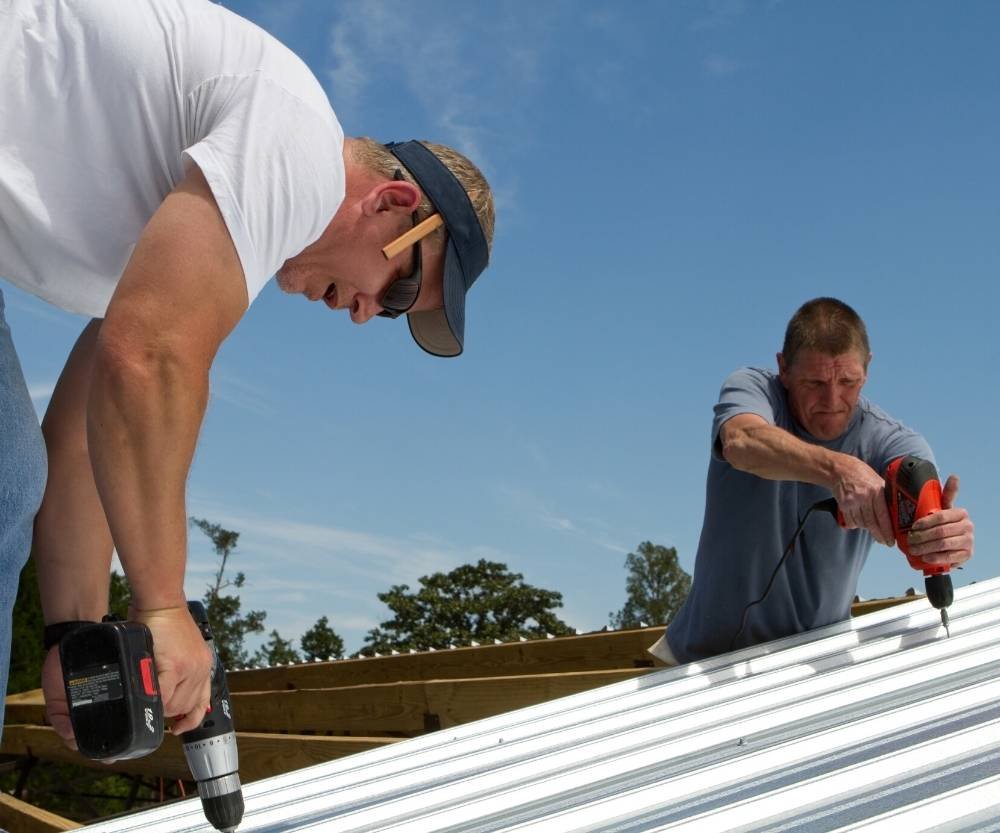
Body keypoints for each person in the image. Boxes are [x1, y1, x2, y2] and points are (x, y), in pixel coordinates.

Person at [0, 0, 495, 745]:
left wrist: (78, 639)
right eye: (396, 287)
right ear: (393, 203)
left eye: (391, 314)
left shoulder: (208, 222)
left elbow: (85, 434)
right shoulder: (298, 149)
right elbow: (149, 356)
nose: (366, 313)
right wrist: (162, 607)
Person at [649, 297, 974, 665]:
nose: (832, 400)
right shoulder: (753, 389)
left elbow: (922, 503)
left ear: (867, 369)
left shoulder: (894, 443)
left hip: (808, 670)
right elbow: (742, 442)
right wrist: (838, 470)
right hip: (697, 660)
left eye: (848, 381)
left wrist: (940, 540)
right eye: (815, 382)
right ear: (783, 368)